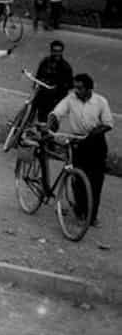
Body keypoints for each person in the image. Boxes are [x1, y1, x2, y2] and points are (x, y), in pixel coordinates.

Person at [48, 74, 113, 227]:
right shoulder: (70, 99)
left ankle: (92, 216)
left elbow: (108, 123)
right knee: (78, 180)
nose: (76, 91)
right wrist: (51, 121)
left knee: (96, 181)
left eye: (80, 88)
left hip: (96, 143)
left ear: (89, 88)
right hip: (77, 143)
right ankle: (80, 211)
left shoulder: (100, 101)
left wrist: (91, 135)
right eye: (75, 87)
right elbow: (57, 112)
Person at [32, 40, 74, 122]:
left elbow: (70, 84)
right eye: (55, 51)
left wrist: (59, 86)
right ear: (51, 51)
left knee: (50, 118)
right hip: (43, 92)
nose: (57, 54)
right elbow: (38, 75)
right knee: (35, 108)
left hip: (55, 97)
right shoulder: (45, 62)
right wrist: (36, 84)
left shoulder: (66, 67)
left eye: (59, 51)